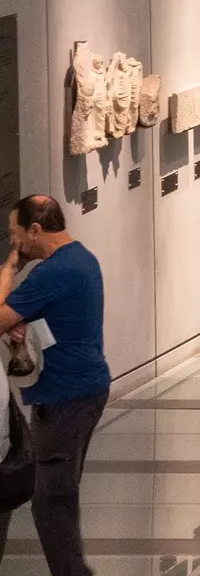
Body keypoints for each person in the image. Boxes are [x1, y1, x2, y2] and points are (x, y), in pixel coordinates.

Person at [0, 196, 109, 576]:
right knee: (60, 493)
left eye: (16, 235)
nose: (17, 244)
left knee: (51, 500)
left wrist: (9, 268)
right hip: (84, 390)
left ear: (35, 229)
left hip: (66, 397)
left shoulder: (51, 273)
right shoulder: (83, 259)